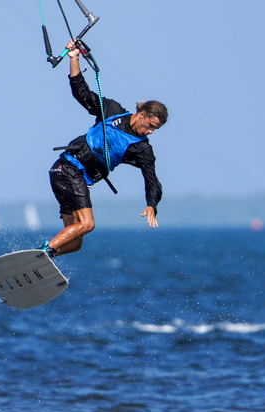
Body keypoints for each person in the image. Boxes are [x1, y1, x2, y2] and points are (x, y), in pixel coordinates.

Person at [40, 40, 168, 258]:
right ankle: (42, 253)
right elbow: (82, 93)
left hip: (68, 176)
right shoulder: (112, 110)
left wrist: (152, 204)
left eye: (155, 130)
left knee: (74, 242)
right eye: (150, 126)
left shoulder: (142, 150)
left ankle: (43, 258)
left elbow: (152, 180)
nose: (151, 132)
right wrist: (74, 58)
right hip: (68, 168)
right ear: (142, 114)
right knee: (88, 224)